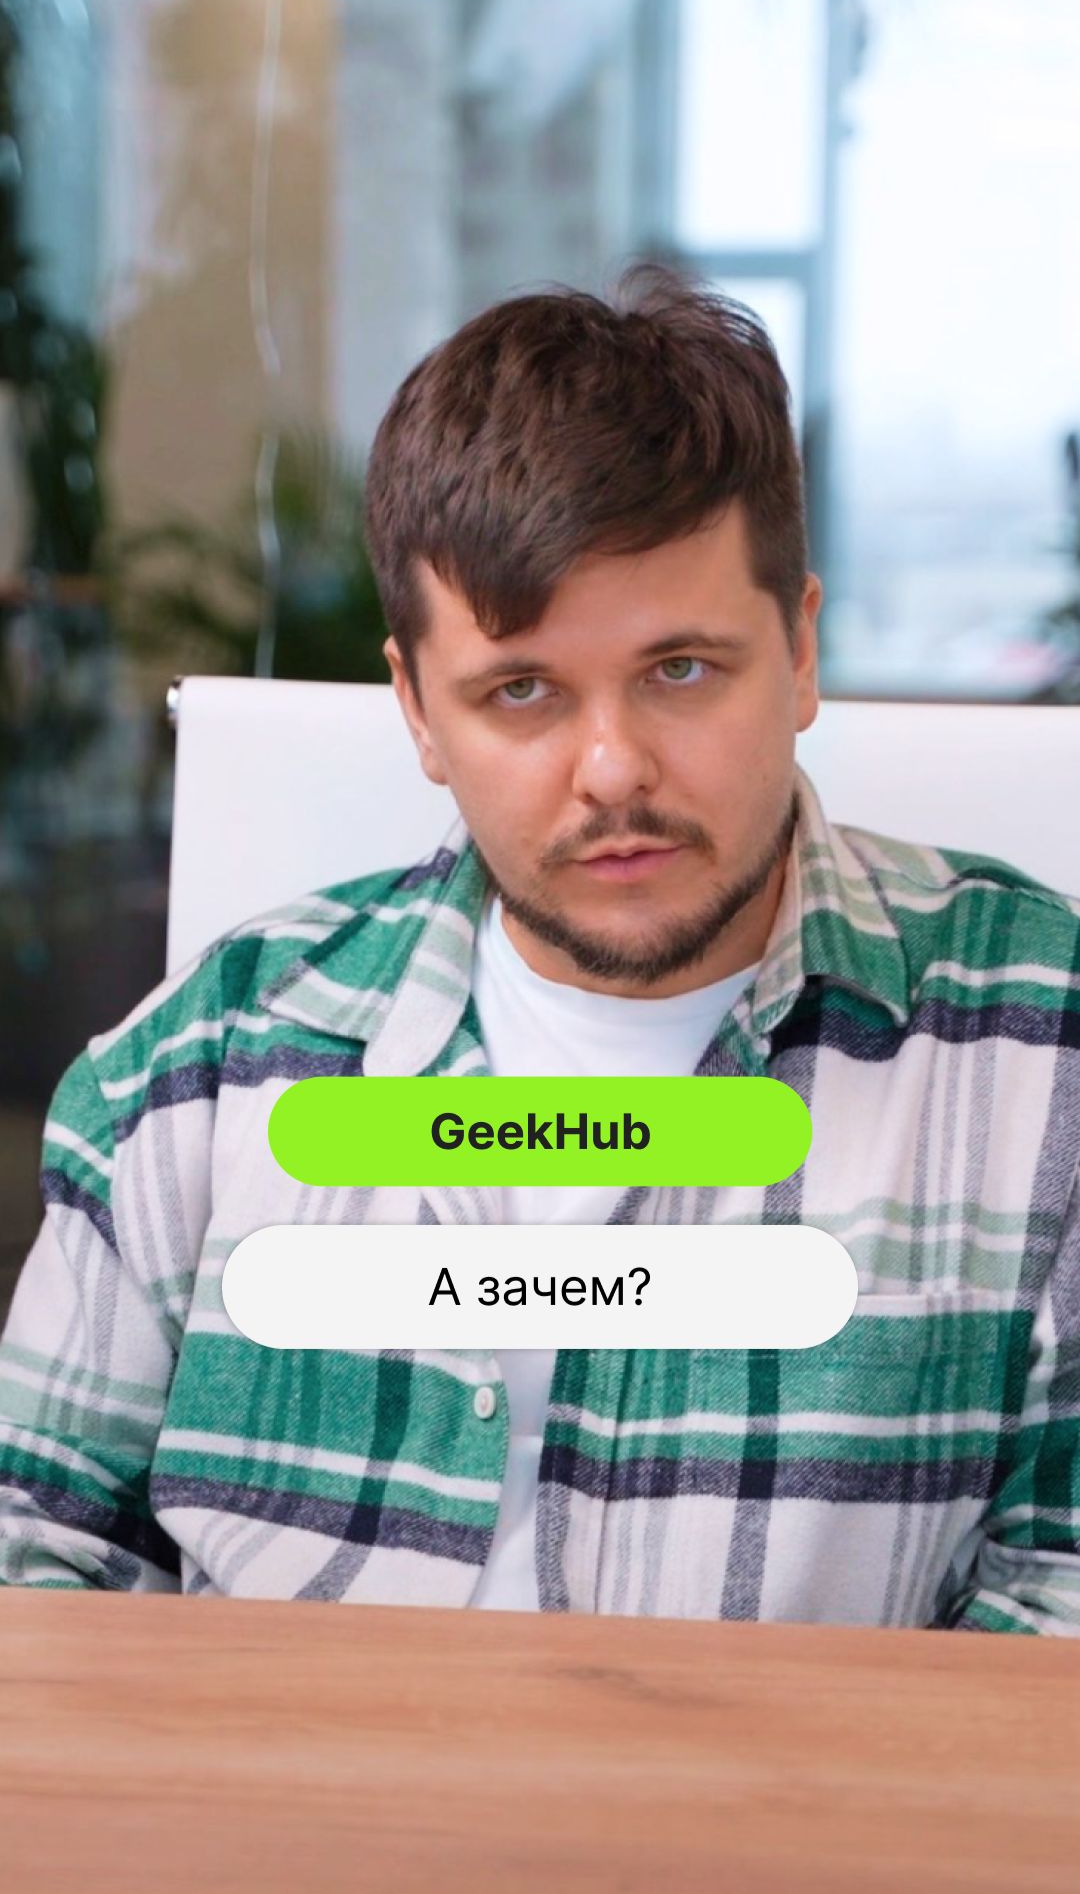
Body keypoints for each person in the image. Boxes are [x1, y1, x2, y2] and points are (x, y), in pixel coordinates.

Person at [0, 266, 1077, 1632]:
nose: (612, 769)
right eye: (521, 691)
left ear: (800, 652)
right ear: (417, 710)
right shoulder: (192, 1075)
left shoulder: (1045, 1052)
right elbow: (35, 1563)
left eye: (681, 669)